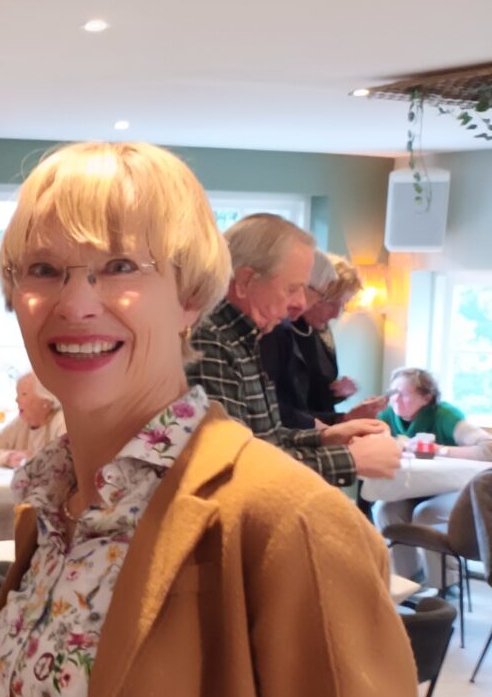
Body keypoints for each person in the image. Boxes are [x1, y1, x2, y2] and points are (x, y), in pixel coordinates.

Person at [0, 141, 428, 697]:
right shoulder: (57, 509)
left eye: (120, 267)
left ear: (191, 296)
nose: (76, 303)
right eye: (44, 270)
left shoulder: (283, 522)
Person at [185, 213, 399, 487]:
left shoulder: (243, 337)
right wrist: (351, 459)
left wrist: (327, 436)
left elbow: (265, 438)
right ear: (245, 281)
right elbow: (234, 466)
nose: (300, 303)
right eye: (292, 289)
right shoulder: (210, 342)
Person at [375, 366, 492, 580]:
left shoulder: (445, 415)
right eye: (392, 393)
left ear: (426, 398)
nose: (395, 400)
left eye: (403, 394)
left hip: (454, 489)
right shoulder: (387, 417)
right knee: (385, 510)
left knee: (426, 513)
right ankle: (409, 581)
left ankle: (446, 582)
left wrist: (440, 450)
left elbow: (488, 449)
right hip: (414, 489)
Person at [259, 251, 382, 429]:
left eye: (343, 305)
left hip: (316, 433)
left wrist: (336, 393)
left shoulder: (320, 332)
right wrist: (343, 419)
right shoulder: (275, 332)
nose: (336, 314)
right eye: (332, 303)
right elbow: (278, 409)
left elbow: (311, 396)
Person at [0, 372, 65, 468]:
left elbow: (63, 462)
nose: (16, 399)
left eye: (24, 394)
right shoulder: (22, 421)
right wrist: (9, 457)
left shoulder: (62, 422)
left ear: (46, 401)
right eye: (17, 394)